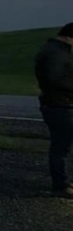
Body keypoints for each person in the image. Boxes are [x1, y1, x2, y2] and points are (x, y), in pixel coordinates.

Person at [34, 22, 73, 198]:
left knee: (61, 145)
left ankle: (63, 183)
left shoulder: (53, 50)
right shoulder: (56, 53)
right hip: (61, 106)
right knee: (61, 147)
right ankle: (61, 185)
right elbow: (54, 80)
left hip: (57, 104)